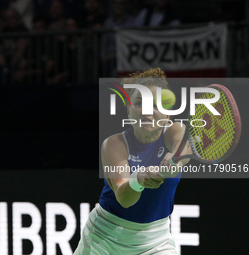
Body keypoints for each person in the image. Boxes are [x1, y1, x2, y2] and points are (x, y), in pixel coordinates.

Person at [74, 68, 191, 254]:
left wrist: (174, 159)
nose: (147, 111)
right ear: (129, 111)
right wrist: (139, 180)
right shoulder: (114, 144)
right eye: (139, 103)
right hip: (104, 238)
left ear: (167, 114)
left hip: (156, 242)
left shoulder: (175, 131)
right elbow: (124, 199)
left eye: (155, 105)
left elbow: (183, 146)